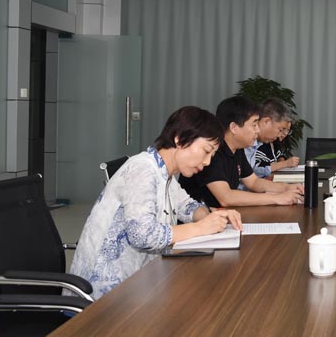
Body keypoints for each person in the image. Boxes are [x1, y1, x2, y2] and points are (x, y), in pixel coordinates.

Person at [69, 106, 244, 300]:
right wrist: (201, 228)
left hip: (139, 284)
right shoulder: (142, 170)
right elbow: (143, 235)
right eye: (206, 151)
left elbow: (187, 206)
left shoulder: (164, 173)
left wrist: (212, 217)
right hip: (102, 297)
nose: (207, 162)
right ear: (179, 139)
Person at [180, 96, 303, 208]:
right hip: (198, 220)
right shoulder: (213, 151)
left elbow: (253, 182)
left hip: (221, 215)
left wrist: (288, 188)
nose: (257, 130)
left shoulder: (237, 149)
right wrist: (276, 198)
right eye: (254, 125)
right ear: (234, 128)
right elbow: (226, 198)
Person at [243, 98, 299, 182]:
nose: (280, 135)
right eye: (280, 130)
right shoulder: (245, 143)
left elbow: (252, 180)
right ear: (267, 121)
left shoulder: (258, 143)